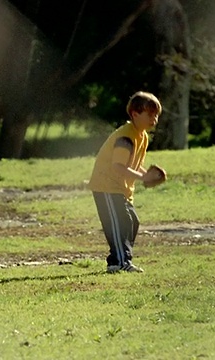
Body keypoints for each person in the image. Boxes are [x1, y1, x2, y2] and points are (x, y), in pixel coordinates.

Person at [88, 91, 162, 273]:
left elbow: (134, 164)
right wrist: (143, 177)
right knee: (119, 223)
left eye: (156, 115)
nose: (154, 118)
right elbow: (118, 167)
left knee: (132, 222)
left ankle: (119, 260)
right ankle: (120, 262)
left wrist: (147, 175)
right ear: (135, 114)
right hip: (106, 186)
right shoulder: (126, 137)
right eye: (150, 114)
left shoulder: (142, 135)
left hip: (121, 188)